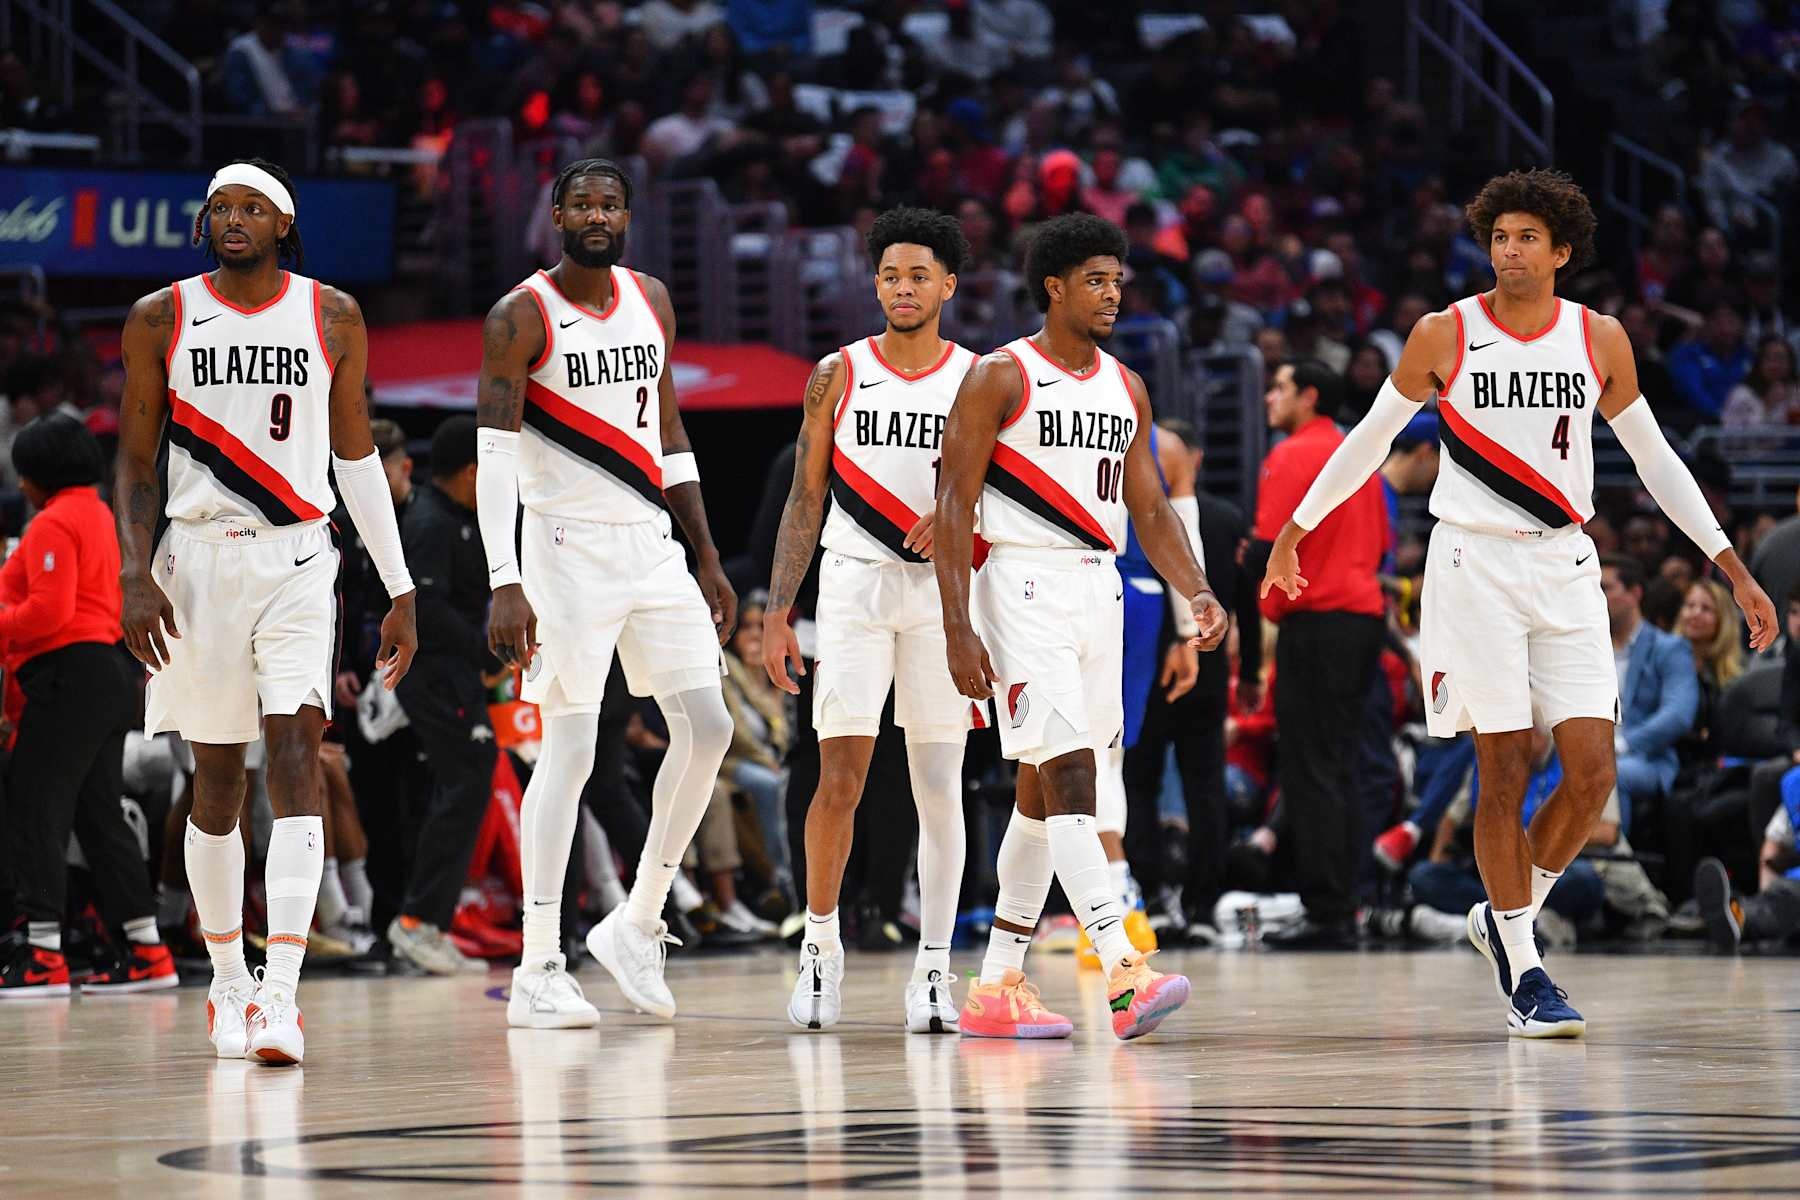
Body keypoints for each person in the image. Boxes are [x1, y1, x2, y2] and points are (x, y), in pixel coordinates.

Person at [1260, 168, 1777, 1038]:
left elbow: (1656, 462)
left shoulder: (1599, 338)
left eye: (1528, 236)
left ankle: (1506, 918)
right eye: (1499, 235)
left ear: (1562, 251)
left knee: (1591, 773)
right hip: (1472, 567)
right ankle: (1526, 970)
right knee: (1505, 762)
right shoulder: (1443, 332)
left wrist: (1732, 565)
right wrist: (1296, 529)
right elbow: (1370, 440)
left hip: (1569, 563)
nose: (1509, 248)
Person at [115, 158, 418, 1064]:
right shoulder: (160, 315)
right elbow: (133, 461)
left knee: (296, 752)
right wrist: (135, 573)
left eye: (252, 208)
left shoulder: (332, 314)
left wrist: (399, 584)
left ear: (285, 224)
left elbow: (358, 458)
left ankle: (282, 991)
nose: (233, 219)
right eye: (220, 208)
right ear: (205, 222)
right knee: (216, 783)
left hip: (297, 556)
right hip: (196, 561)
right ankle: (227, 980)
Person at [934, 213, 1227, 1041]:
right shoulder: (1000, 376)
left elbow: (1150, 507)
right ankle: (1124, 971)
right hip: (1021, 583)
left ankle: (995, 988)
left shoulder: (1125, 386)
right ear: (1054, 285)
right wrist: (957, 625)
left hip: (1100, 588)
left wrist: (1196, 591)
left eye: (1118, 281)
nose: (1112, 294)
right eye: (1096, 280)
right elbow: (953, 505)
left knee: (1040, 793)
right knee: (1070, 777)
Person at [475, 158, 737, 1030]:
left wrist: (705, 553)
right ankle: (539, 962)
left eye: (610, 202)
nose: (597, 213)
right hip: (561, 550)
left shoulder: (651, 298)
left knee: (710, 726)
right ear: (556, 215)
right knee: (572, 752)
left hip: (650, 544)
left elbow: (668, 428)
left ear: (627, 214)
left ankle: (638, 919)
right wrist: (504, 578)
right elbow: (496, 458)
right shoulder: (521, 315)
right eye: (581, 202)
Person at [760, 206, 980, 1032]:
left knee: (938, 787)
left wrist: (967, 522)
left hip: (939, 596)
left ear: (948, 285)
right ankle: (820, 949)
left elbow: (1002, 491)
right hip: (852, 586)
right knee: (838, 777)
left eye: (918, 274)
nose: (902, 287)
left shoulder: (978, 376)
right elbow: (805, 495)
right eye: (889, 274)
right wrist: (779, 611)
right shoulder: (839, 371)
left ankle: (933, 970)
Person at [0, 415, 176, 998]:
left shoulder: (53, 521)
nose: (21, 482)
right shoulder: (102, 511)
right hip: (109, 675)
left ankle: (43, 955)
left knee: (35, 807)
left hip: (68, 676)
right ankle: (148, 949)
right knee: (99, 816)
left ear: (39, 474)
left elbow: (47, 615)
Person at [1247, 358, 1389, 948]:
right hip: (1364, 622)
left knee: (1308, 770)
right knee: (1343, 765)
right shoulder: (1364, 458)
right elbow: (1382, 543)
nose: (1268, 398)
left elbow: (1264, 546)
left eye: (1279, 388)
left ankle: (1327, 910)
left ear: (1309, 396)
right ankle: (1347, 902)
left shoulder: (1291, 455)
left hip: (1317, 621)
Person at [387, 416, 499, 976]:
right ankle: (415, 922)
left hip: (454, 674)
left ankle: (428, 922)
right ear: (473, 470)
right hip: (433, 674)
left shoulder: (459, 517)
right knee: (466, 779)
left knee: (465, 782)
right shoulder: (430, 521)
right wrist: (487, 654)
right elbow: (425, 609)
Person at [1604, 556, 1700, 831]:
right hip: (1590, 750)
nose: (1595, 596)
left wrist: (1622, 745)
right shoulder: (1588, 648)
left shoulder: (1669, 648)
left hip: (1645, 758)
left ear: (1635, 593)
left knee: (1608, 774)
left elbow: (1678, 715)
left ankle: (1611, 863)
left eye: (1606, 588)